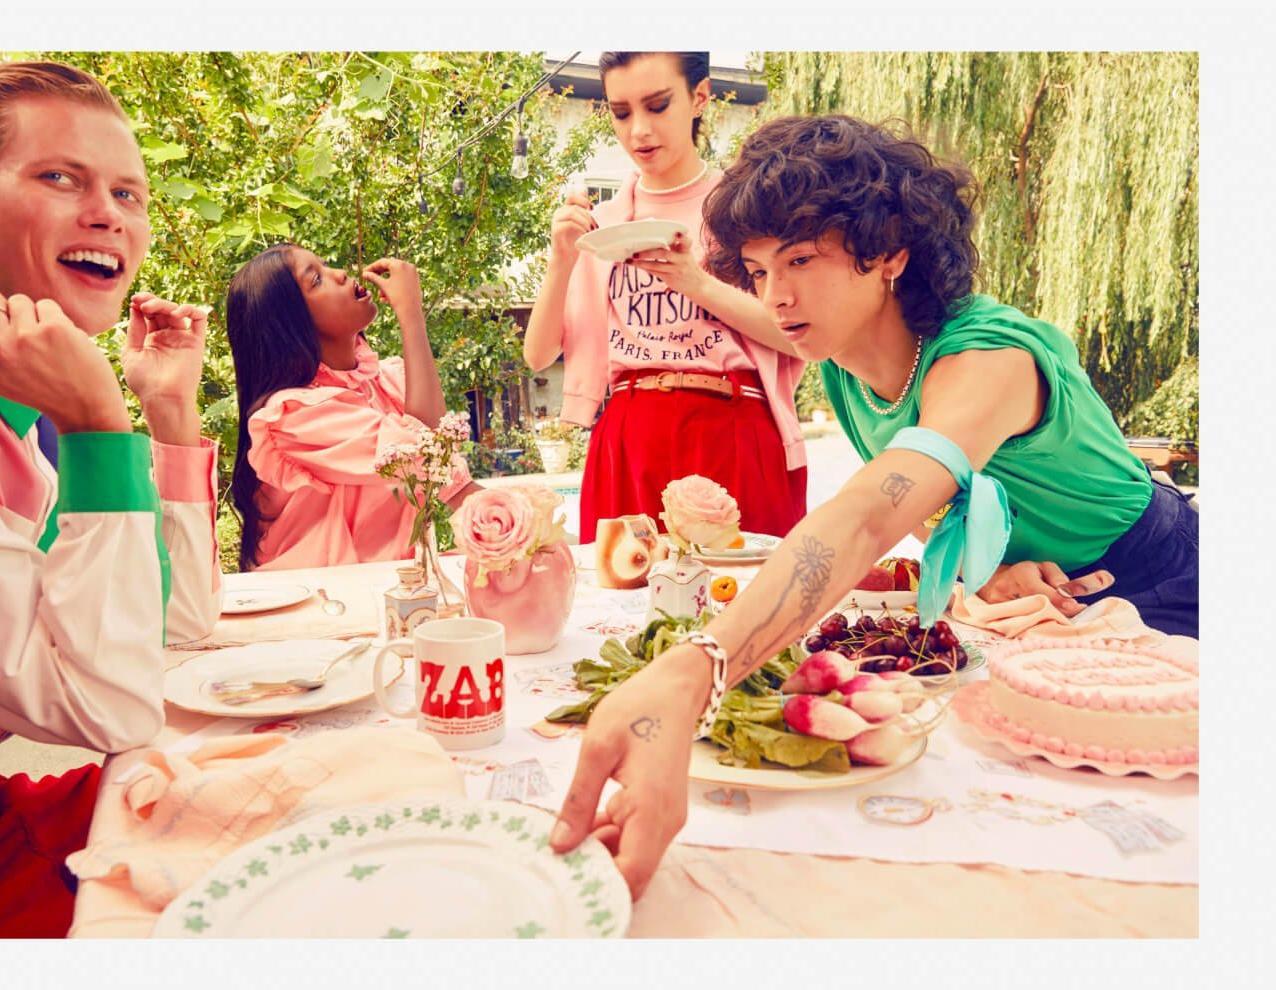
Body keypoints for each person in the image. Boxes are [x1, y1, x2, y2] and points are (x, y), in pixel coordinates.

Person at [548, 113, 1199, 898]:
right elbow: (940, 508)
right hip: (1053, 611)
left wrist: (696, 670)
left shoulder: (988, 357)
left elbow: (866, 514)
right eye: (755, 271)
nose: (775, 296)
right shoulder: (853, 372)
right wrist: (988, 568)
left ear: (889, 251)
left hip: (1171, 586)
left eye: (799, 260)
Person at [0, 61, 222, 937]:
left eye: (128, 193)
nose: (108, 215)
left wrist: (167, 414)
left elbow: (178, 627)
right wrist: (104, 421)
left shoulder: (31, 401)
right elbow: (112, 706)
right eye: (59, 177)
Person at [523, 51, 809, 544]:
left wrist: (696, 283)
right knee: (624, 612)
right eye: (621, 112)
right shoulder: (604, 223)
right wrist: (562, 258)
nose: (638, 131)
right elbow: (539, 354)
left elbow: (799, 337)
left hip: (733, 426)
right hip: (631, 433)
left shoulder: (747, 209)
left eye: (657, 106)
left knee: (746, 603)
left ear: (700, 97)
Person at [226, 243, 478, 570]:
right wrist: (411, 315)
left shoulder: (386, 382)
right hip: (316, 601)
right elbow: (427, 454)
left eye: (326, 265)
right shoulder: (294, 416)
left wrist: (527, 524)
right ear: (289, 324)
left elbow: (450, 479)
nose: (340, 274)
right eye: (316, 279)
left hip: (386, 590)